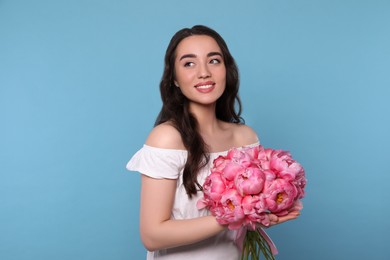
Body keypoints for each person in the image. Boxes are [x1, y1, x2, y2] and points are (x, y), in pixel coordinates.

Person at [126, 25, 301, 259]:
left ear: (227, 70)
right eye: (189, 63)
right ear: (174, 79)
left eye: (214, 61)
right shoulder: (167, 138)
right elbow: (152, 235)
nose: (204, 72)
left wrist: (262, 215)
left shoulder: (245, 138)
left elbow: (243, 224)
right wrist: (235, 214)